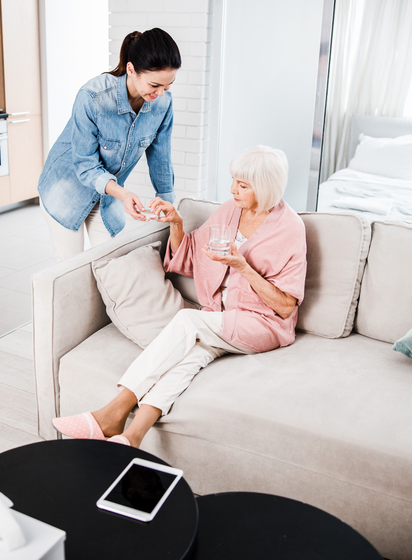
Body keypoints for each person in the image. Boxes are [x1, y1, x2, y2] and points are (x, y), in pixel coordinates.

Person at [52, 146, 307, 447]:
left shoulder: (290, 228)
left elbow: (285, 306)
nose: (232, 190)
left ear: (264, 187)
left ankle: (113, 411)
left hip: (261, 324)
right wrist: (176, 223)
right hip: (219, 319)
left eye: (242, 185)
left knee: (188, 320)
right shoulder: (231, 210)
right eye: (233, 180)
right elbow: (191, 252)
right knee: (188, 359)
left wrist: (242, 266)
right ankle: (132, 437)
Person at [37, 28, 181, 262]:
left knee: (114, 264)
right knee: (71, 269)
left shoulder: (162, 104)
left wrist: (168, 203)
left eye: (168, 86)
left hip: (109, 194)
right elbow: (85, 165)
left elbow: (161, 158)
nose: (161, 93)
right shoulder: (93, 97)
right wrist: (124, 194)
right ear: (131, 69)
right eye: (155, 85)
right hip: (65, 188)